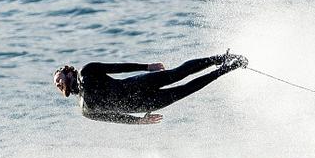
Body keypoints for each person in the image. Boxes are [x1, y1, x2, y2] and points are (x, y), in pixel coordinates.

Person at [53, 51, 248, 124]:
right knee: (186, 89)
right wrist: (139, 122)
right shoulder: (85, 110)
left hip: (137, 85)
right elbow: (115, 118)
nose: (57, 82)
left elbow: (118, 67)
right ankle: (228, 68)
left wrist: (147, 67)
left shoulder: (87, 71)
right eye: (56, 84)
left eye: (58, 77)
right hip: (143, 104)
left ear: (68, 71)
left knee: (179, 73)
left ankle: (220, 58)